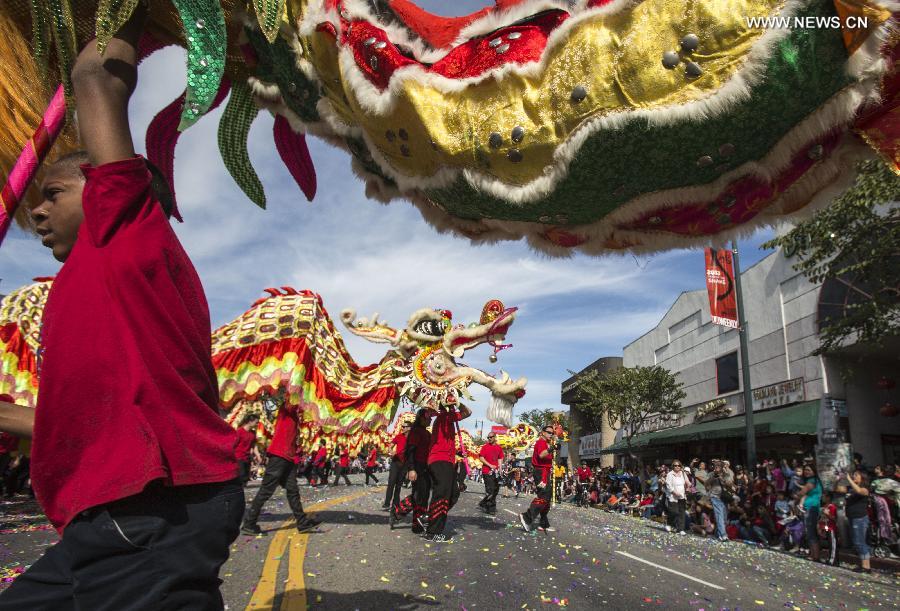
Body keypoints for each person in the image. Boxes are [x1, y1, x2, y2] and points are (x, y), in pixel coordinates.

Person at [0, 7, 245, 608]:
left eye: (52, 192)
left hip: (146, 512)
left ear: (110, 188)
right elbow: (78, 426)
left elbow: (96, 79)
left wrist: (130, 12)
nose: (35, 212)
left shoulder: (126, 232)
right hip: (111, 517)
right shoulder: (91, 284)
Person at [242, 404, 321, 536]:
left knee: (293, 490)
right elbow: (294, 394)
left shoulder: (295, 414)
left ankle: (302, 523)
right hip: (279, 455)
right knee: (266, 490)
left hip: (288, 457)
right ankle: (249, 523)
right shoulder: (288, 408)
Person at [421, 404, 471, 542]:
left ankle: (428, 517)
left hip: (446, 461)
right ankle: (432, 532)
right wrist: (456, 402)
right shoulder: (445, 416)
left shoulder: (445, 417)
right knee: (442, 494)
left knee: (454, 493)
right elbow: (468, 412)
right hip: (440, 459)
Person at [391, 409, 432, 534]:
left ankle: (412, 520)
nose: (430, 420)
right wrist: (412, 469)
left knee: (423, 496)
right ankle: (405, 517)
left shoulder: (427, 433)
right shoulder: (415, 432)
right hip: (417, 466)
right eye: (428, 418)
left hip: (426, 468)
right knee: (418, 496)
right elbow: (410, 451)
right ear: (422, 419)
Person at [520, 425, 556, 533]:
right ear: (543, 432)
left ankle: (543, 523)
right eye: (549, 432)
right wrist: (551, 448)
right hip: (541, 473)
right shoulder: (541, 442)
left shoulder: (546, 443)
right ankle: (527, 517)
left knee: (546, 498)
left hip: (544, 472)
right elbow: (541, 455)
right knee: (544, 496)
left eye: (552, 433)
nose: (551, 434)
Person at [845, 470, 872, 573]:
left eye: (856, 475)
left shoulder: (865, 489)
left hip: (860, 518)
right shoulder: (851, 489)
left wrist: (849, 479)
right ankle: (863, 564)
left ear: (862, 477)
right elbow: (837, 489)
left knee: (860, 541)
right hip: (852, 517)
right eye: (853, 475)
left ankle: (866, 566)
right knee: (857, 541)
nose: (853, 476)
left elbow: (860, 491)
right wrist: (838, 480)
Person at [797, 463, 823, 562]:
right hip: (810, 507)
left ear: (814, 471)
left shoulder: (812, 481)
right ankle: (813, 554)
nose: (806, 472)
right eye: (805, 470)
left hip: (811, 508)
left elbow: (802, 492)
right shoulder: (812, 480)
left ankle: (815, 556)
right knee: (810, 532)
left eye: (809, 470)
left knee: (811, 532)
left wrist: (797, 495)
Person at [383, 422, 410, 509]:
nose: (403, 428)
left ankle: (395, 504)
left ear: (409, 428)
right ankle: (387, 503)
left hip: (405, 464)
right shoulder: (399, 436)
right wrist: (391, 451)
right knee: (391, 483)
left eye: (405, 427)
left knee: (399, 485)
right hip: (396, 462)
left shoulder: (413, 439)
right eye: (402, 426)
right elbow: (390, 446)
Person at [477, 432, 504, 515]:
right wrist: (490, 465)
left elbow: (500, 458)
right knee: (490, 490)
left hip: (495, 472)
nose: (489, 438)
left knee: (496, 489)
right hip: (487, 471)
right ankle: (490, 507)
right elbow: (481, 457)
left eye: (491, 437)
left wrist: (500, 469)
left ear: (495, 437)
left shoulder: (499, 447)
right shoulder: (485, 447)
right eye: (488, 437)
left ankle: (484, 503)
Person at [235, 414, 261, 485]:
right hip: (239, 458)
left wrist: (258, 455)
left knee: (246, 478)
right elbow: (233, 445)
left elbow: (254, 445)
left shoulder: (253, 433)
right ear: (250, 421)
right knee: (241, 477)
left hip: (247, 458)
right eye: (256, 422)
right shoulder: (239, 431)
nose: (257, 424)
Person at [665, 460, 689, 534]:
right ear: (673, 466)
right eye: (675, 465)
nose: (677, 467)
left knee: (682, 512)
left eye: (679, 465)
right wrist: (674, 492)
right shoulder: (670, 474)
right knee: (674, 511)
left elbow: (687, 482)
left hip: (682, 495)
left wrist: (688, 487)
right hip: (673, 496)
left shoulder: (683, 473)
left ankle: (681, 529)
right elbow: (668, 485)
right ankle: (669, 523)